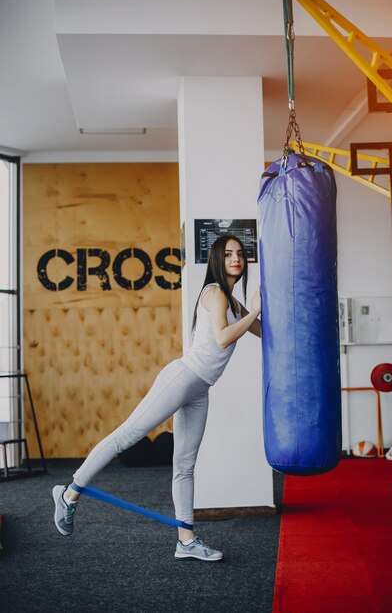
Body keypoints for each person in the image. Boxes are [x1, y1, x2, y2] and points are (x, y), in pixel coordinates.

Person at [53, 234, 261, 562]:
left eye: (240, 254)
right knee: (127, 435)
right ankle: (70, 493)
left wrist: (272, 305)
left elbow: (262, 330)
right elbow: (222, 339)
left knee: (185, 465)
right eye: (228, 254)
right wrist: (257, 311)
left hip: (200, 389)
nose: (236, 258)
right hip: (182, 378)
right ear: (217, 261)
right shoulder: (216, 293)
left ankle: (186, 541)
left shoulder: (235, 303)